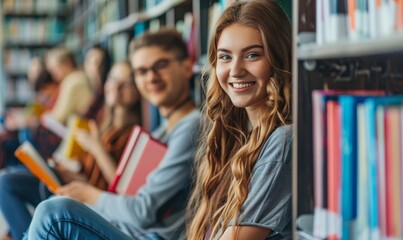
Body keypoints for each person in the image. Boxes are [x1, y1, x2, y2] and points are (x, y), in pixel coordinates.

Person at [25, 29, 200, 240]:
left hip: (146, 235)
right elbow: (130, 196)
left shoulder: (192, 126)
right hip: (127, 227)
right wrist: (83, 184)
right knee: (44, 202)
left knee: (52, 214)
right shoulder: (163, 130)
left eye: (161, 65)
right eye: (142, 71)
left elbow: (142, 211)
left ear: (187, 67)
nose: (151, 77)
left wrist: (90, 194)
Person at [186, 1, 293, 239]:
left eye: (252, 55)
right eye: (225, 57)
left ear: (280, 59)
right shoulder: (241, 136)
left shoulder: (284, 140)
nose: (235, 70)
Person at [0, 61, 141, 240]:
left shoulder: (135, 133)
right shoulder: (102, 120)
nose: (116, 87)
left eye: (125, 83)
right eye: (112, 79)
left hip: (98, 204)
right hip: (80, 186)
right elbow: (88, 174)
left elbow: (124, 190)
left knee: (38, 202)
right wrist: (71, 174)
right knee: (8, 179)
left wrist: (96, 147)